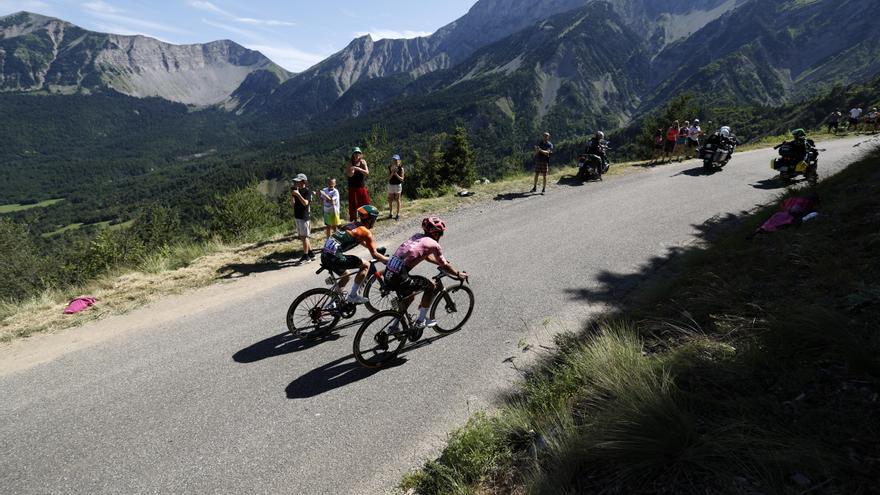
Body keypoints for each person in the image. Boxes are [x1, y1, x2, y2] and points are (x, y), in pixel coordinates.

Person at [383, 216, 467, 335]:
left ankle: (394, 326)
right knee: (431, 286)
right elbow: (445, 266)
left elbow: (425, 256)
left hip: (388, 273)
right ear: (437, 234)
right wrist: (458, 274)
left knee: (410, 297)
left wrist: (440, 262)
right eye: (441, 234)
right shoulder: (434, 244)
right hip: (399, 277)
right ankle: (420, 321)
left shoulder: (417, 236)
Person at [320, 205, 389, 304]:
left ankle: (332, 304)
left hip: (325, 255)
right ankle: (353, 296)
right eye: (374, 219)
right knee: (366, 265)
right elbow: (374, 255)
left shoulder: (352, 225)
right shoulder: (366, 232)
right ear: (370, 220)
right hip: (335, 257)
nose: (375, 221)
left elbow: (359, 240)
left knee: (346, 276)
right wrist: (387, 260)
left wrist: (372, 248)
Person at [291, 173, 314, 264]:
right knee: (302, 236)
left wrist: (298, 195)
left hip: (304, 217)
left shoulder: (307, 191)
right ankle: (311, 253)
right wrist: (293, 196)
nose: (295, 183)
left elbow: (305, 203)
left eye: (297, 181)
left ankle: (306, 256)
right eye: (295, 181)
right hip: (297, 215)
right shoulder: (297, 191)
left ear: (303, 181)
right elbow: (293, 205)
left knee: (304, 237)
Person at [346, 147, 371, 221]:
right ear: (353, 154)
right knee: (353, 205)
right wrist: (352, 170)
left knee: (365, 203)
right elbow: (349, 175)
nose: (357, 155)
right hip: (352, 187)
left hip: (361, 186)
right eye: (355, 153)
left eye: (358, 153)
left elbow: (367, 173)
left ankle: (365, 218)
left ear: (361, 154)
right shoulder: (350, 163)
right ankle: (355, 220)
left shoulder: (363, 162)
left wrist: (358, 169)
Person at [387, 154, 405, 220]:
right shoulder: (389, 167)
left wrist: (396, 174)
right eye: (394, 160)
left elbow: (402, 179)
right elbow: (388, 178)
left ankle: (398, 214)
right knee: (390, 199)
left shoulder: (401, 169)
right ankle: (391, 213)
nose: (395, 161)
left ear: (399, 161)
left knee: (398, 199)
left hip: (398, 185)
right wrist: (392, 173)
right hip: (391, 185)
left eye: (396, 160)